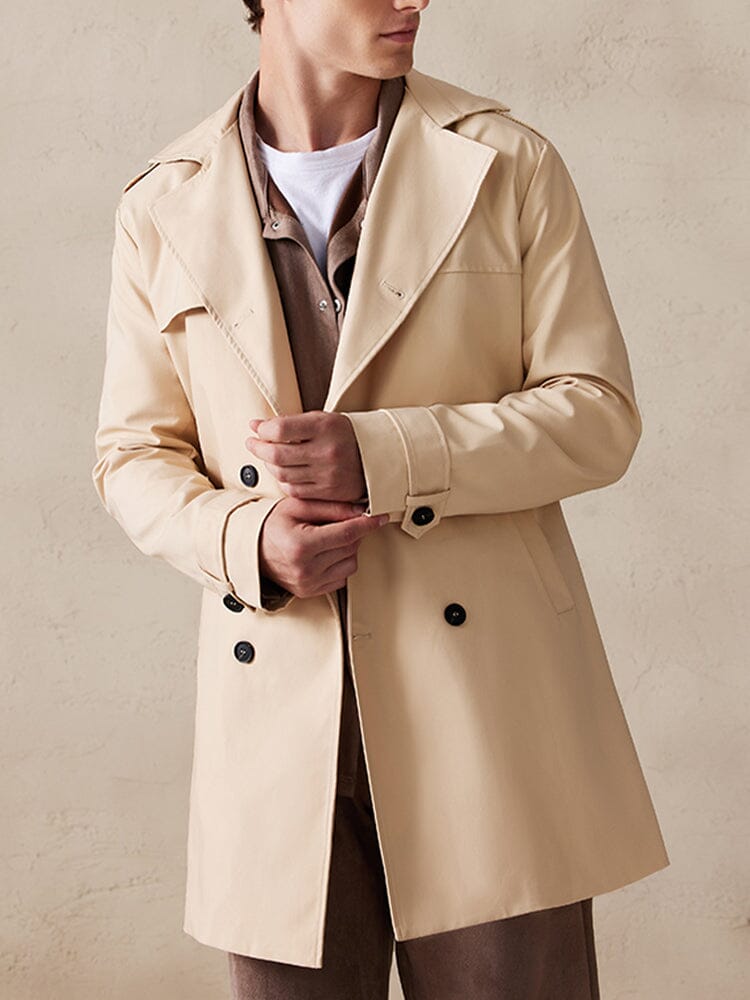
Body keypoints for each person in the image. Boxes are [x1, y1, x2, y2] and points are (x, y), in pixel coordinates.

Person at [91, 1, 670, 996]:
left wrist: (386, 455)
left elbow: (597, 413)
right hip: (280, 732)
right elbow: (132, 455)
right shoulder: (165, 200)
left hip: (486, 714)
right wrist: (247, 542)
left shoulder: (503, 162)